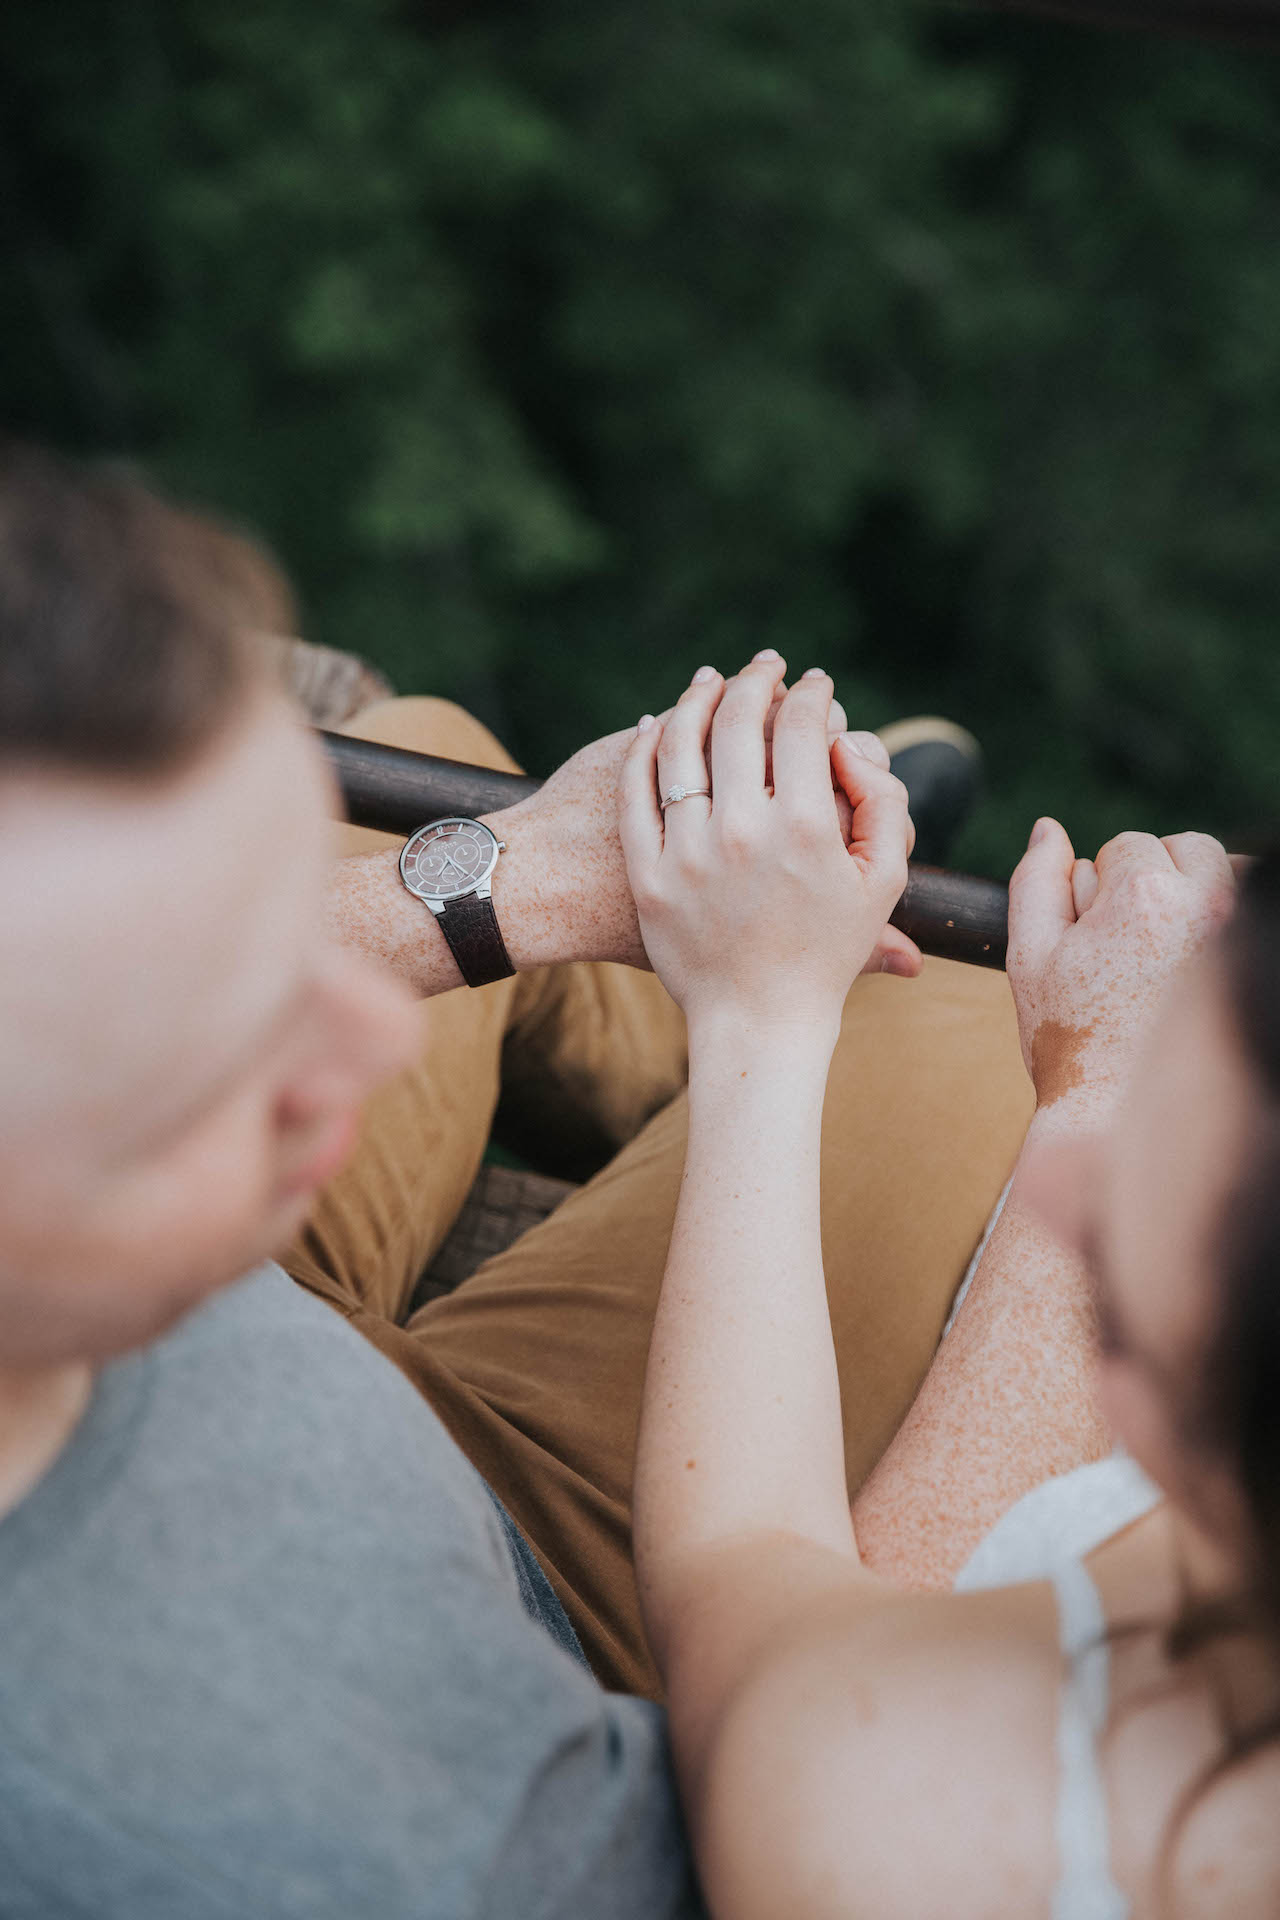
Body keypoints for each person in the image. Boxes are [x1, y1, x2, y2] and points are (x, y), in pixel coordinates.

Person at [0, 444, 1040, 1913]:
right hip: (577, 1638)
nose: (362, 1030)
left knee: (417, 762)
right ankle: (751, 992)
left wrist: (517, 874)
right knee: (972, 1030)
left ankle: (682, 975)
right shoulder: (313, 1839)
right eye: (220, 1026)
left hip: (227, 1351)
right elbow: (838, 1812)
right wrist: (1102, 1123)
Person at [621, 661, 1280, 1918]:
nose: (1053, 1205)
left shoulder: (902, 1832)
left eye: (1136, 1213)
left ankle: (666, 989)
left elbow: (747, 1594)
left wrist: (754, 1009)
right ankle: (623, 1031)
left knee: (945, 1036)